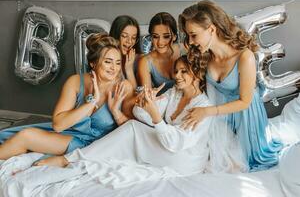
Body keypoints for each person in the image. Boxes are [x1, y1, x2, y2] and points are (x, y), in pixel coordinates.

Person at [34, 53, 246, 188]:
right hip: (167, 148)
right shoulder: (175, 94)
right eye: (176, 71)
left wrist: (155, 115)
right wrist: (147, 103)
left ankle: (70, 160)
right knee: (133, 128)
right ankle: (74, 160)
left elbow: (176, 142)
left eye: (184, 72)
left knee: (133, 130)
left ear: (197, 76)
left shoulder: (203, 106)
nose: (178, 76)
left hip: (185, 160)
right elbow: (142, 116)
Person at [178, 0, 283, 171]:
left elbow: (245, 102)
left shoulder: (244, 57)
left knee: (244, 162)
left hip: (245, 116)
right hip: (221, 118)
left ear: (211, 29)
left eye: (193, 35)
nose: (190, 41)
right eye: (188, 36)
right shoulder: (205, 56)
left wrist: (206, 112)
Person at [0, 33, 133, 160]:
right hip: (71, 137)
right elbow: (58, 125)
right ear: (93, 63)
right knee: (24, 135)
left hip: (99, 146)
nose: (114, 68)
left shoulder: (124, 87)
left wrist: (115, 112)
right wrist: (91, 103)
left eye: (117, 62)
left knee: (25, 137)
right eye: (108, 62)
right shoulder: (75, 81)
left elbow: (132, 131)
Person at [138, 12, 182, 95]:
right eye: (155, 36)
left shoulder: (185, 51)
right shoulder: (145, 62)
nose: (160, 42)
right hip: (160, 104)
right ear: (151, 37)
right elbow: (147, 97)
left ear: (175, 37)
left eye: (166, 36)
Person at [109, 15, 141, 89]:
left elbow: (135, 96)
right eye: (124, 36)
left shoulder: (140, 60)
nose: (129, 41)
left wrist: (129, 69)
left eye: (133, 38)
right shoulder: (105, 59)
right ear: (115, 36)